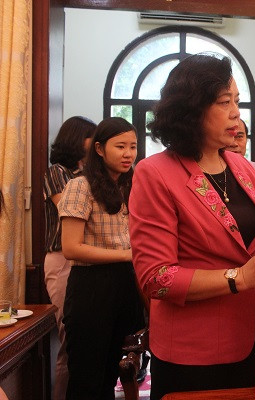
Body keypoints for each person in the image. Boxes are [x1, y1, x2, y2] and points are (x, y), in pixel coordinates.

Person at [127, 53, 255, 399]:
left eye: (236, 100)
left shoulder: (242, 168)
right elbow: (156, 277)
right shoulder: (155, 173)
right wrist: (240, 277)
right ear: (191, 109)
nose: (236, 112)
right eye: (224, 102)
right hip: (194, 351)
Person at [58, 117, 145, 399]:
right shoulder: (80, 186)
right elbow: (71, 248)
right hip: (91, 287)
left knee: (113, 374)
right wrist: (127, 254)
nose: (128, 154)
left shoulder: (131, 186)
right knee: (87, 378)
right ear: (99, 149)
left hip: (125, 283)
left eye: (133, 146)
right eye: (120, 146)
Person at [43, 115, 96, 400]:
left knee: (85, 337)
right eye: (91, 136)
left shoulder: (85, 174)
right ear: (77, 139)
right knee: (68, 337)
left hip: (87, 258)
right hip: (62, 257)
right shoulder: (57, 172)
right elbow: (70, 206)